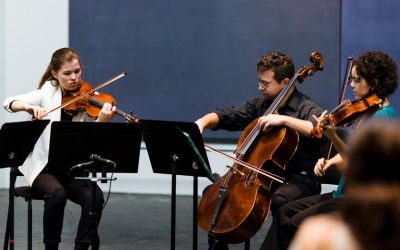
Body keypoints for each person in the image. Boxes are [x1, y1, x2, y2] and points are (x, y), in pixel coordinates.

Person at [259, 50, 398, 250]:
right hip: (340, 193)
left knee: (297, 223)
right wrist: (331, 162)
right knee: (285, 212)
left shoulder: (381, 119)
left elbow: (357, 163)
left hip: (355, 199)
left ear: (374, 82)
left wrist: (332, 135)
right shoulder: (370, 113)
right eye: (351, 79)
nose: (352, 85)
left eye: (357, 80)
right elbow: (354, 154)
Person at [195, 51, 326, 249]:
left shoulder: (305, 107)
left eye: (265, 83)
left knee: (281, 201)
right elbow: (226, 115)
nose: (260, 87)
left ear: (285, 82)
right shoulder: (262, 106)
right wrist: (202, 122)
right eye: (259, 81)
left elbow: (317, 128)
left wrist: (283, 119)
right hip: (262, 176)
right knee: (216, 196)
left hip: (299, 178)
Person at [3, 48, 116, 250]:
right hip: (44, 168)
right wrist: (29, 107)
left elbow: (93, 141)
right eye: (67, 73)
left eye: (77, 71)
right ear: (55, 74)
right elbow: (9, 103)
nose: (74, 78)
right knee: (57, 194)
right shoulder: (48, 91)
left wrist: (101, 121)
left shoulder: (91, 96)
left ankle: (81, 247)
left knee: (95, 197)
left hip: (71, 169)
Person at [290, 120, 400, 250]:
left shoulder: (318, 236)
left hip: (344, 197)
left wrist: (333, 136)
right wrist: (330, 161)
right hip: (342, 195)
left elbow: (352, 155)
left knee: (295, 220)